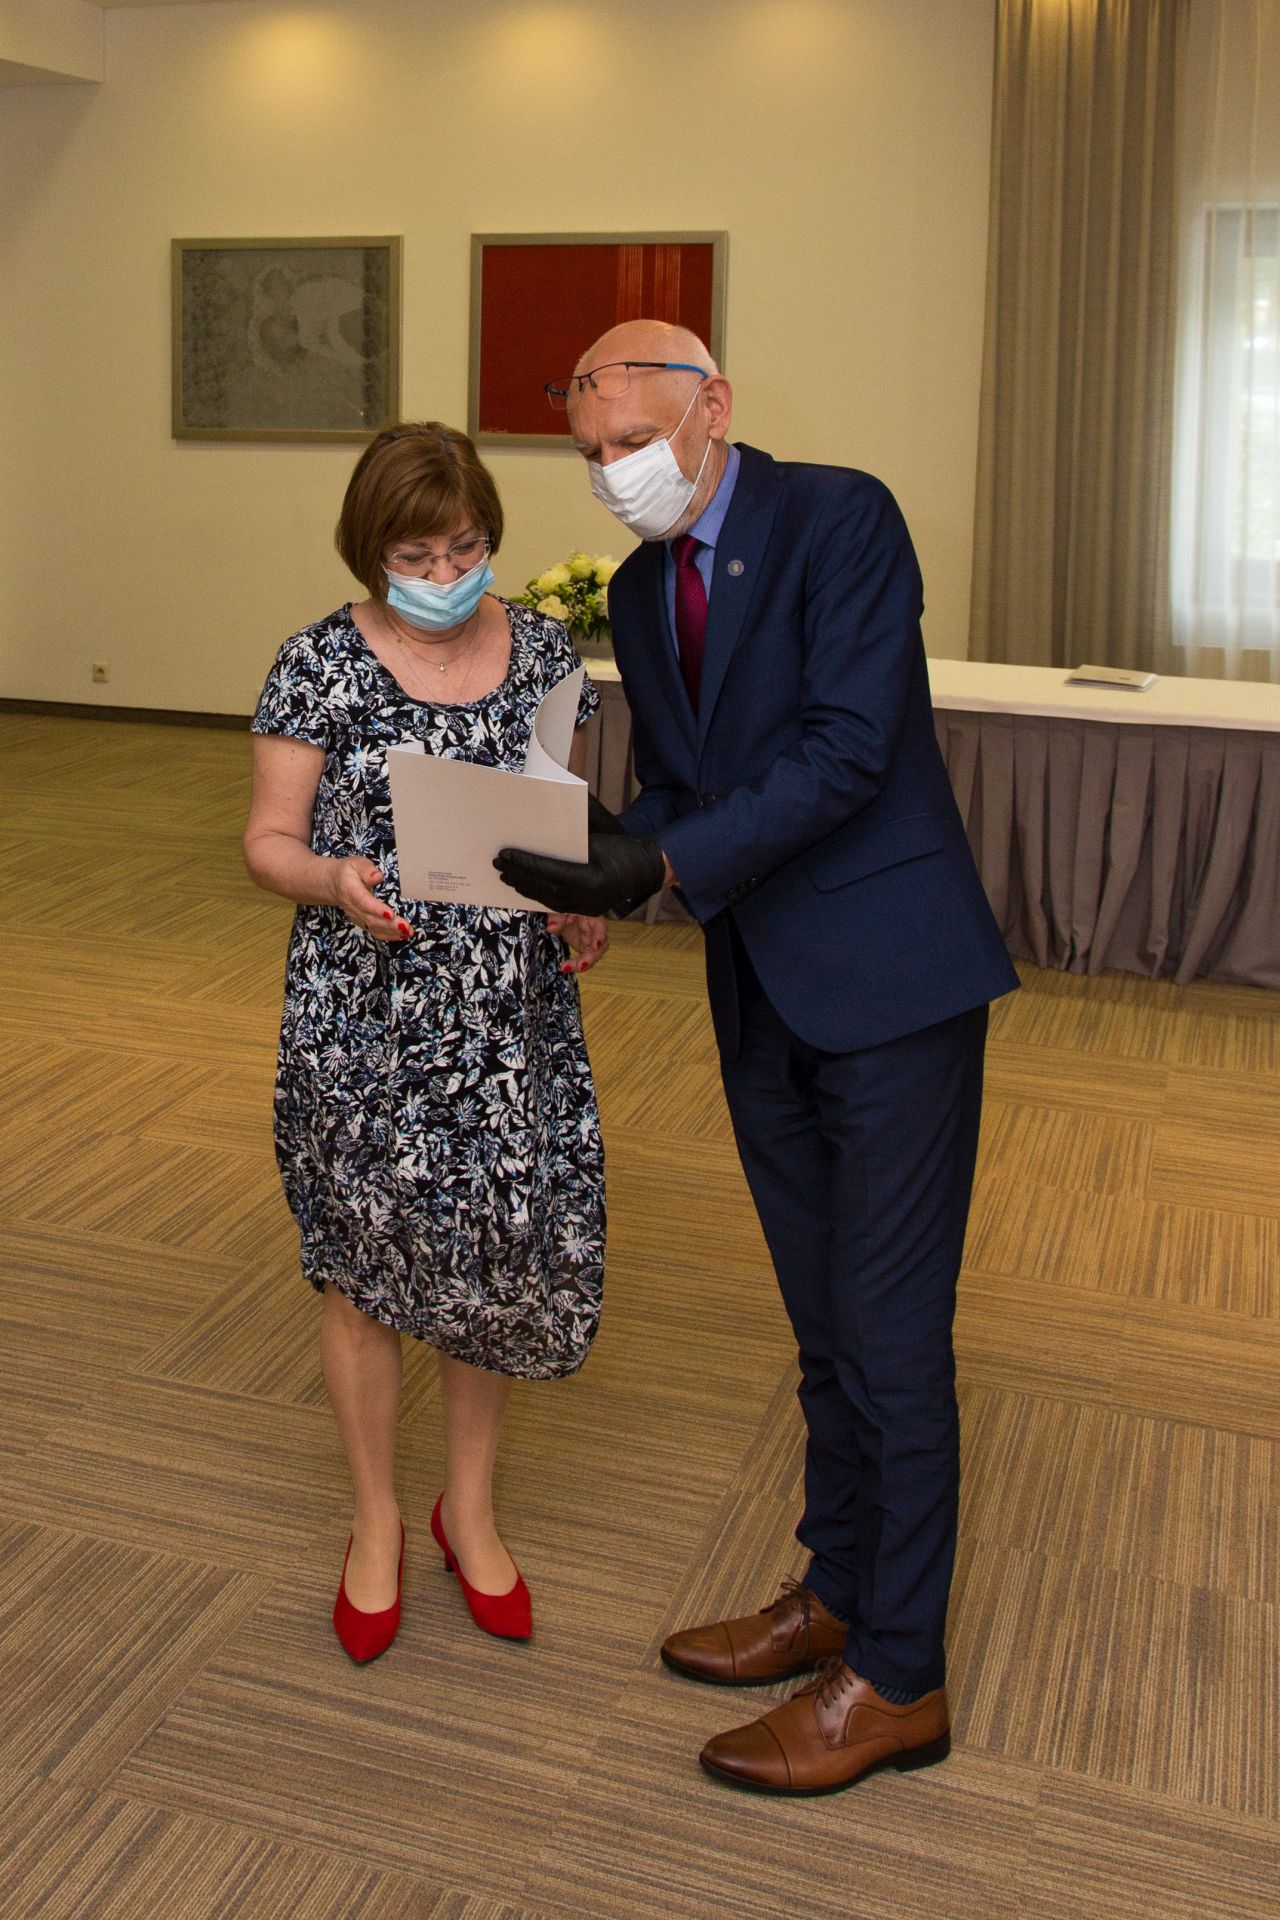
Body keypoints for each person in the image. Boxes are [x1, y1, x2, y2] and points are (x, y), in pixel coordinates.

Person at [496, 323, 1019, 1793]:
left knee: (891, 1335)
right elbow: (690, 780)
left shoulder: (838, 519)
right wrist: (601, 860)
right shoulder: (639, 585)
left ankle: (898, 1677)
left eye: (631, 443)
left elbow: (849, 749)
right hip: (762, 985)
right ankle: (837, 1590)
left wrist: (657, 860)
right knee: (822, 1323)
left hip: (892, 979)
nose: (614, 473)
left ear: (711, 407)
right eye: (590, 454)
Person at [244, 420, 608, 1664]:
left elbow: (554, 821)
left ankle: (470, 1509)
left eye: (464, 547)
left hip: (504, 1016)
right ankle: (377, 1519)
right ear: (371, 551)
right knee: (361, 1270)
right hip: (364, 1012)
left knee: (487, 1263)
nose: (445, 573)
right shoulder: (317, 663)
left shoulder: (544, 651)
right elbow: (267, 844)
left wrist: (574, 899)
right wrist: (332, 878)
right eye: (415, 555)